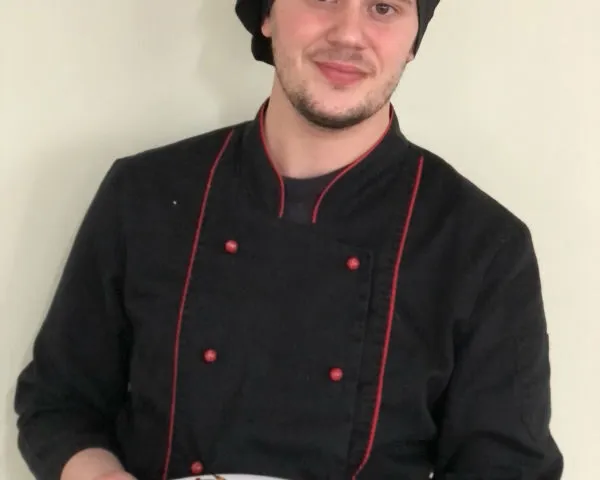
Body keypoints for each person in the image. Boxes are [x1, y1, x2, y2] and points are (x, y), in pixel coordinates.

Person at [14, 0, 564, 479]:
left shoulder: (483, 246)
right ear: (267, 15)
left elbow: (508, 469)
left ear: (413, 39)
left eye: (384, 7)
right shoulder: (145, 194)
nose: (349, 34)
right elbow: (59, 403)